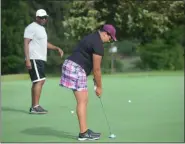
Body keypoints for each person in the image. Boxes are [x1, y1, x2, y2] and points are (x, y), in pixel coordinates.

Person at [59, 24, 117, 140]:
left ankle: (84, 131)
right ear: (106, 33)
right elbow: (96, 69)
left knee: (84, 100)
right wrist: (99, 87)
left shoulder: (92, 37)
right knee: (82, 101)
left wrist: (96, 81)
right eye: (110, 38)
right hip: (76, 68)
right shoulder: (98, 45)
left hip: (70, 65)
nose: (110, 41)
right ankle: (83, 133)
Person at [24, 9, 64, 114]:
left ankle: (34, 106)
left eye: (45, 17)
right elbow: (26, 43)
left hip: (39, 59)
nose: (44, 19)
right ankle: (35, 107)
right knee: (40, 80)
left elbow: (44, 43)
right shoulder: (31, 27)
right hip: (34, 58)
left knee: (38, 81)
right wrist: (27, 59)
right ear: (37, 17)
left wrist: (56, 48)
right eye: (41, 17)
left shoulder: (41, 29)